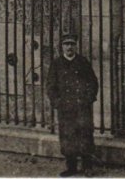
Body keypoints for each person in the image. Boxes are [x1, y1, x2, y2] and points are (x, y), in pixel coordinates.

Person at [46, 32, 99, 177]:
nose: (69, 47)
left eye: (72, 44)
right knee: (68, 136)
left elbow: (93, 82)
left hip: (82, 106)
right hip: (66, 108)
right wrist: (57, 102)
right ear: (62, 46)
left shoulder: (83, 62)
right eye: (66, 44)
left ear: (76, 46)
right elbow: (50, 86)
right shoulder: (56, 64)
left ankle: (87, 166)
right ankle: (71, 167)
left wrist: (88, 99)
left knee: (85, 135)